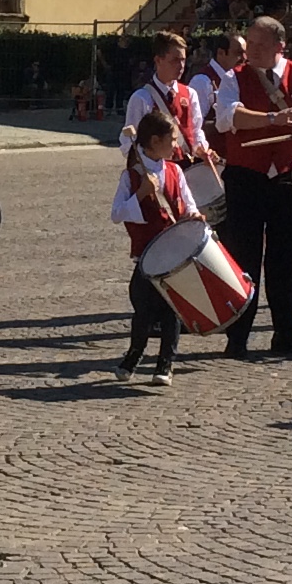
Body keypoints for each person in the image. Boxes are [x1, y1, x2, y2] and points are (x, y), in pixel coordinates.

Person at [211, 14, 292, 358]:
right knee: (243, 258)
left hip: (286, 177)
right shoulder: (233, 78)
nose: (251, 51)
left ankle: (286, 332)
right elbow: (227, 118)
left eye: (260, 45)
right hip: (245, 177)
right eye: (249, 44)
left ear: (280, 46)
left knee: (286, 259)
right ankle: (238, 337)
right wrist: (272, 119)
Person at [112, 111, 201, 385]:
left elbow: (188, 204)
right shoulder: (132, 175)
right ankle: (134, 355)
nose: (176, 145)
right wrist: (141, 193)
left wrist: (194, 216)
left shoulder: (175, 171)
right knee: (142, 306)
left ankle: (166, 363)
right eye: (172, 140)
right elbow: (117, 214)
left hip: (175, 254)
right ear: (154, 141)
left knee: (171, 310)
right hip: (148, 254)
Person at [123, 31, 213, 164]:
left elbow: (196, 131)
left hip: (187, 170)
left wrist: (202, 149)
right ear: (158, 60)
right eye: (175, 60)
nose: (181, 66)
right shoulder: (141, 98)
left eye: (183, 60)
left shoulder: (190, 94)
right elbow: (128, 142)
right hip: (158, 171)